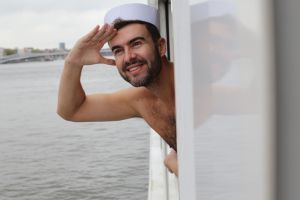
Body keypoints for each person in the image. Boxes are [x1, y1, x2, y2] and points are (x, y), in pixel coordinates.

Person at [57, 3, 178, 175]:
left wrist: (174, 164)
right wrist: (73, 63)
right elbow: (71, 111)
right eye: (118, 50)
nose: (129, 57)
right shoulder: (140, 100)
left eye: (136, 43)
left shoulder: (195, 84)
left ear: (160, 47)